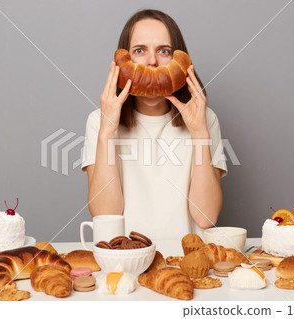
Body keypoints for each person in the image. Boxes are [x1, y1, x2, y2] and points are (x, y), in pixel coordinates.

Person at [81, 9, 227, 240]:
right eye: (140, 51)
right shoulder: (97, 122)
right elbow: (105, 214)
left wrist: (199, 133)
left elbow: (205, 217)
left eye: (164, 51)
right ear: (123, 61)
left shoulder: (205, 119)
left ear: (179, 60)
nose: (152, 61)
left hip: (186, 266)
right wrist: (107, 130)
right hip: (125, 263)